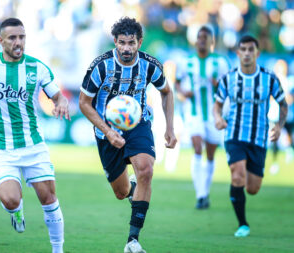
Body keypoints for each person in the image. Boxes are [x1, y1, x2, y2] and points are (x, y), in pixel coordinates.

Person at [0, 18, 69, 253]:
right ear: (1, 41)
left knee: (49, 199)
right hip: (1, 148)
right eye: (13, 38)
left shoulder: (37, 68)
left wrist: (62, 103)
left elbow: (58, 95)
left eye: (22, 37)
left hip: (33, 145)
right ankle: (16, 212)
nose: (19, 42)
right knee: (10, 199)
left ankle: (58, 250)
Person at [79, 17, 177, 253]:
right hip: (106, 130)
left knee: (145, 169)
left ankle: (133, 240)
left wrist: (169, 128)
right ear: (114, 41)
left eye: (131, 43)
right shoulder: (100, 66)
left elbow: (167, 92)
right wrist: (107, 130)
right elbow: (84, 103)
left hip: (138, 123)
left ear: (139, 42)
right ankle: (134, 191)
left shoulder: (150, 65)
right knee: (121, 192)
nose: (126, 48)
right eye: (121, 43)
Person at [213, 35, 287, 237]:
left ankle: (240, 191)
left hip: (258, 139)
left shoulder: (269, 78)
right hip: (234, 135)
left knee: (253, 188)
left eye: (250, 50)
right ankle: (242, 224)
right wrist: (218, 118)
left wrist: (279, 126)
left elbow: (283, 104)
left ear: (257, 53)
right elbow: (217, 105)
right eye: (243, 49)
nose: (246, 53)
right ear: (238, 53)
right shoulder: (228, 78)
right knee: (237, 175)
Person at [175, 26, 230, 209]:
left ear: (211, 42)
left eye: (205, 38)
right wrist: (183, 92)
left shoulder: (220, 62)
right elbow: (176, 82)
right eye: (199, 37)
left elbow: (228, 86)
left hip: (214, 113)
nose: (202, 41)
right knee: (197, 147)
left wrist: (218, 85)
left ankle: (205, 193)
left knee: (211, 155)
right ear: (195, 40)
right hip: (193, 112)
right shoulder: (187, 61)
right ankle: (200, 195)